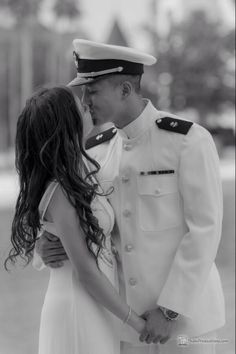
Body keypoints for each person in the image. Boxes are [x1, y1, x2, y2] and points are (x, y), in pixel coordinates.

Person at [36, 39, 225, 354]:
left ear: (125, 89)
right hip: (125, 321)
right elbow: (72, 216)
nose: (84, 101)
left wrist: (169, 310)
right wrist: (46, 244)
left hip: (186, 321)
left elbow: (205, 231)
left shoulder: (187, 142)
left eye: (92, 91)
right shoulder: (96, 151)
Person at [5, 86, 147, 354]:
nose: (86, 105)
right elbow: (85, 271)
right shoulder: (61, 189)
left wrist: (41, 245)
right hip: (78, 306)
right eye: (80, 107)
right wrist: (135, 322)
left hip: (98, 305)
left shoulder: (81, 171)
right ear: (67, 124)